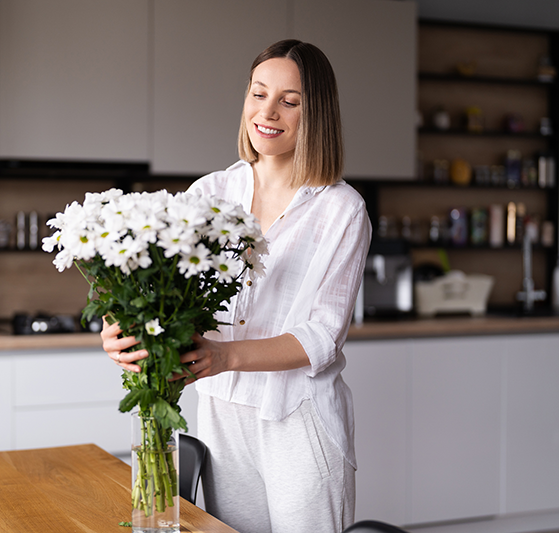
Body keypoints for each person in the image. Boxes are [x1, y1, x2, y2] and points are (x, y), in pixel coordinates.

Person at [101, 39, 371, 533]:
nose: (267, 112)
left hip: (299, 421)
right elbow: (156, 281)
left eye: (290, 101)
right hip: (222, 416)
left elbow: (322, 337)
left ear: (318, 115)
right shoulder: (210, 194)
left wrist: (226, 356)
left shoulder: (342, 210)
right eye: (258, 94)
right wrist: (118, 324)